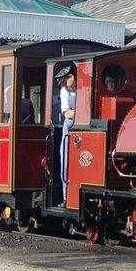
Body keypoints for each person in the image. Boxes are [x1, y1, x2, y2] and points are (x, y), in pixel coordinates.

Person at [58, 71, 76, 207]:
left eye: (65, 80)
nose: (64, 83)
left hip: (83, 125)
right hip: (69, 127)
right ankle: (66, 197)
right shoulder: (64, 91)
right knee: (65, 163)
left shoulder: (83, 89)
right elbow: (67, 113)